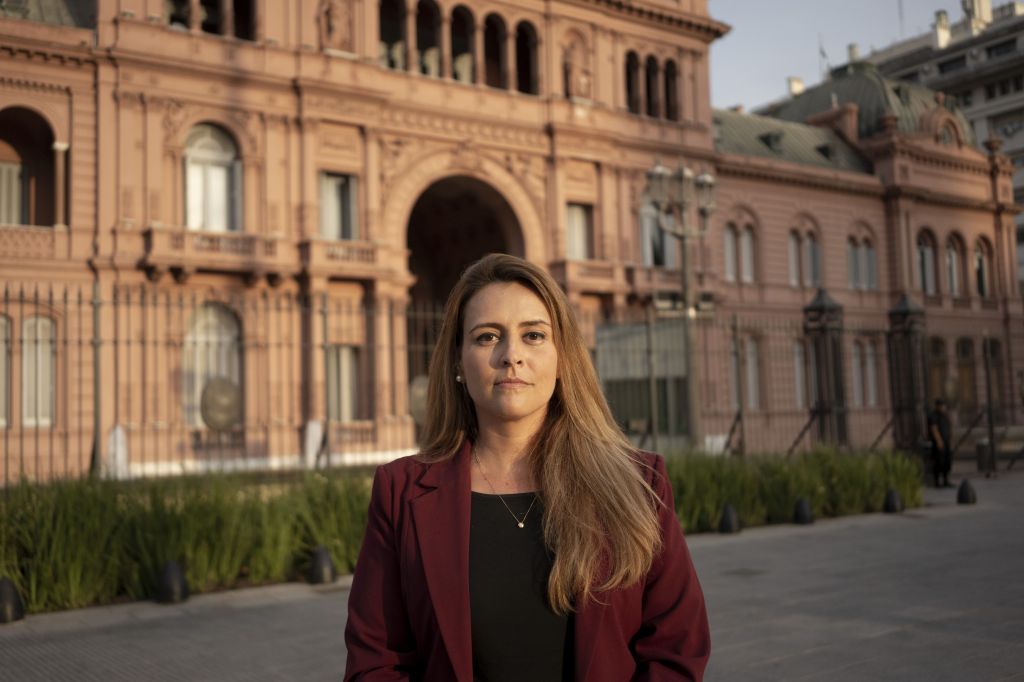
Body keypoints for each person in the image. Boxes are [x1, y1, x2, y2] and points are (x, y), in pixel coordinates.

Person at [344, 253, 709, 681]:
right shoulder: (401, 492)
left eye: (534, 335)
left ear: (562, 359)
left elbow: (675, 650)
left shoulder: (640, 484)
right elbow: (376, 663)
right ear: (458, 363)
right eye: (486, 337)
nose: (510, 355)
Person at [927, 398, 953, 488]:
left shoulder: (944, 415)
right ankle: (937, 482)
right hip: (938, 443)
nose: (942, 407)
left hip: (946, 441)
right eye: (941, 405)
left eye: (943, 405)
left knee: (947, 461)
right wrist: (939, 441)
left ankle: (946, 480)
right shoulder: (933, 416)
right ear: (937, 406)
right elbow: (934, 429)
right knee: (938, 462)